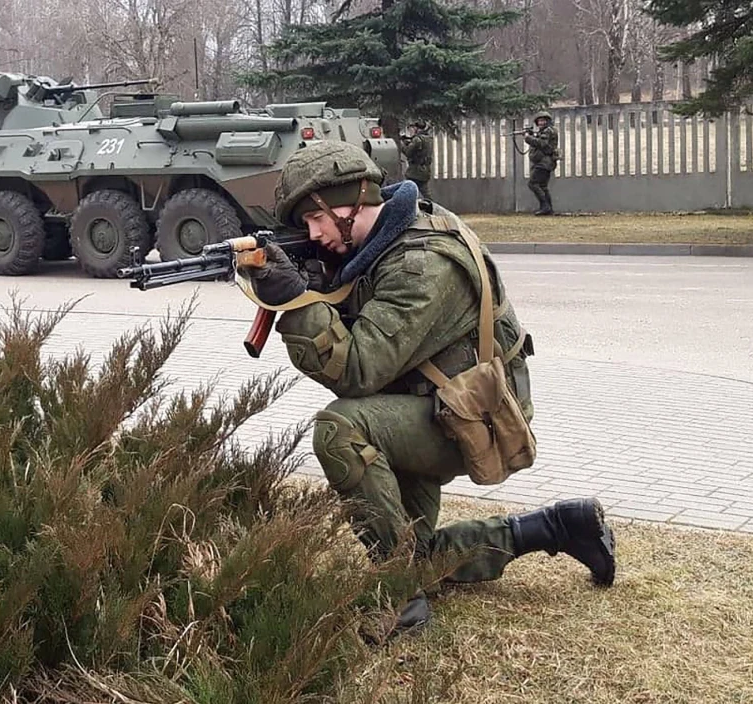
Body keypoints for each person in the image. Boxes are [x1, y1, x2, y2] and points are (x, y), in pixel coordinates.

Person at [239, 140, 615, 636]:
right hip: (432, 401)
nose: (312, 233)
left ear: (350, 202)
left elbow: (356, 370)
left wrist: (296, 300)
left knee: (341, 428)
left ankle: (402, 606)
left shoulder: (421, 263)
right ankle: (558, 527)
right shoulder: (387, 237)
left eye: (315, 219)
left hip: (472, 416)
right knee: (411, 554)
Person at [525, 111, 560, 215]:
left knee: (533, 183)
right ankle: (548, 208)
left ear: (548, 121)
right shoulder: (547, 131)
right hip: (546, 162)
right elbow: (541, 140)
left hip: (544, 163)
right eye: (539, 121)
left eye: (543, 121)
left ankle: (545, 206)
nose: (541, 123)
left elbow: (542, 143)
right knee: (542, 186)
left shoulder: (548, 131)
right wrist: (532, 135)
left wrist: (528, 138)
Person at [401, 121, 434, 202]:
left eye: (413, 128)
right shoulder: (429, 139)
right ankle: (431, 207)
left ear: (417, 128)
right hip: (425, 170)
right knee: (426, 193)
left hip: (415, 171)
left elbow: (408, 152)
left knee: (407, 189)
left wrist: (402, 144)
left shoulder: (417, 139)